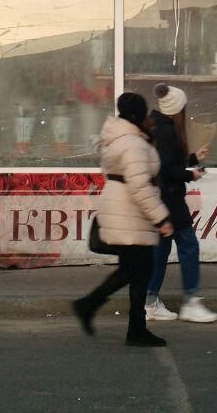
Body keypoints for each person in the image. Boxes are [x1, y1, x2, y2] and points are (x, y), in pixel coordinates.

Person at [73, 92, 174, 347]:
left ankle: (130, 324)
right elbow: (140, 186)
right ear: (137, 114)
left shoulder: (121, 138)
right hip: (129, 212)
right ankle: (94, 307)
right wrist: (161, 218)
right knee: (136, 269)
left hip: (123, 208)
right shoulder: (134, 144)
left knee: (136, 270)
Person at [144, 84, 217, 324]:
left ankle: (150, 301)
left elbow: (167, 161)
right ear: (178, 109)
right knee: (188, 245)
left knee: (161, 250)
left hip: (161, 196)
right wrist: (191, 175)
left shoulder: (158, 126)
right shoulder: (167, 131)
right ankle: (191, 301)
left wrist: (194, 158)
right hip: (170, 197)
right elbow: (166, 168)